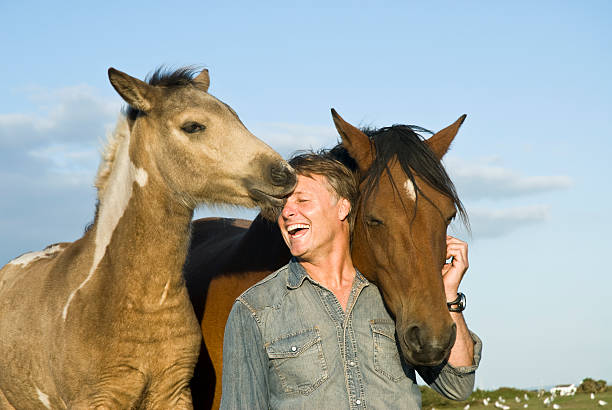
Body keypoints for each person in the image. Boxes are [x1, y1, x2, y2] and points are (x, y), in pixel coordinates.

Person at [221, 152, 482, 409]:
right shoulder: (255, 309)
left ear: (343, 207)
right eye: (282, 205)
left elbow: (457, 385)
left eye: (302, 200)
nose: (287, 212)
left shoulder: (389, 296)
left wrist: (449, 296)